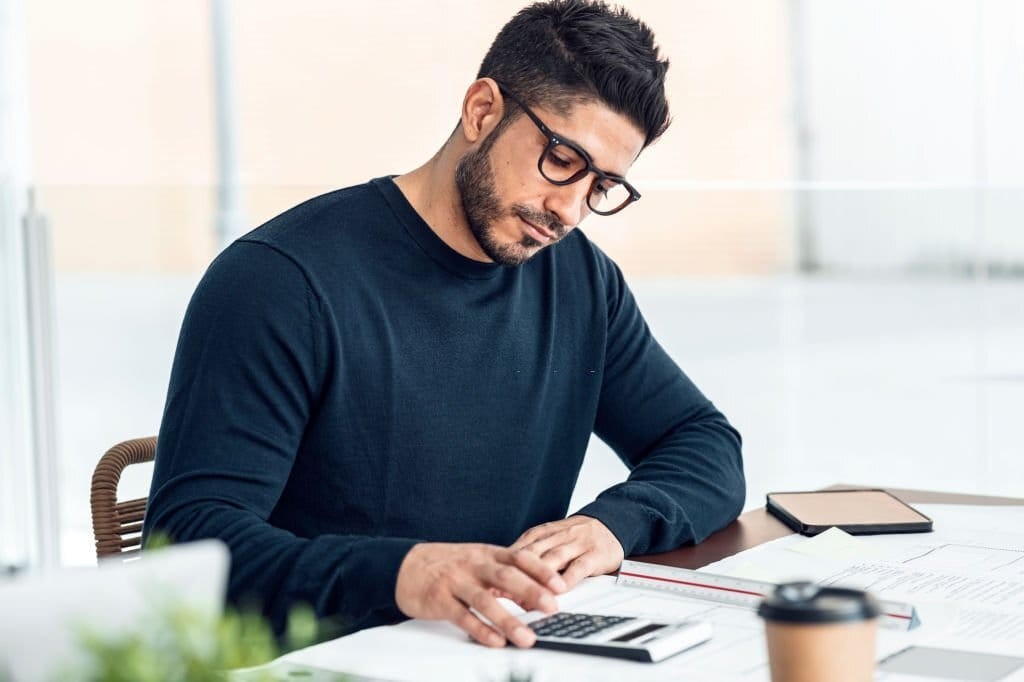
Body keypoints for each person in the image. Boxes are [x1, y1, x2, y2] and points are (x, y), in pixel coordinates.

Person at [144, 0, 744, 650]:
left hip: (494, 654)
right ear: (482, 110)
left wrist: (614, 526)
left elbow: (704, 443)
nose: (570, 210)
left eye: (601, 186)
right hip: (318, 661)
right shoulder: (280, 282)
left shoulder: (579, 282)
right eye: (563, 160)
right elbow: (188, 546)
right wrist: (402, 572)